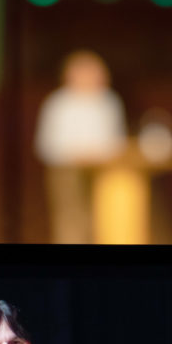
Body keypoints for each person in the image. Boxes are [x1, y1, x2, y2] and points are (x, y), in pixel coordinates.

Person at [34, 50, 127, 244]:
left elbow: (118, 139)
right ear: (69, 75)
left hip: (104, 169)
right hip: (67, 169)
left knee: (106, 215)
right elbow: (45, 145)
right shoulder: (58, 103)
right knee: (71, 218)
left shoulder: (109, 101)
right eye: (85, 72)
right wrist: (76, 154)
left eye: (96, 72)